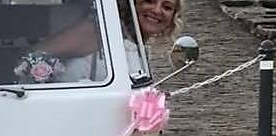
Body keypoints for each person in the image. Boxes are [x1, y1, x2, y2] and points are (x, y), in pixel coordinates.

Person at [15, 0, 184, 83]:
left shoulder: (136, 45)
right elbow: (30, 57)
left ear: (173, 18)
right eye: (149, 0)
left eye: (167, 7)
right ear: (132, 3)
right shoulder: (97, 30)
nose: (157, 10)